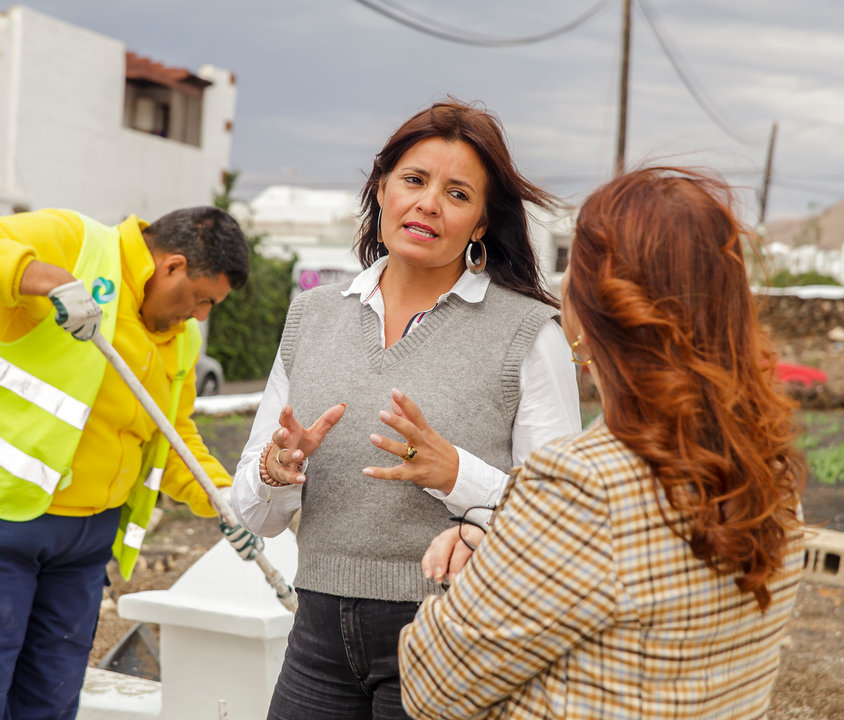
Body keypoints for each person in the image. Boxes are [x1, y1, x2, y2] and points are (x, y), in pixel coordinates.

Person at [398, 166, 807, 719]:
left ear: (589, 313)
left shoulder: (583, 484)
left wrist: (475, 581)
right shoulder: (770, 466)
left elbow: (433, 686)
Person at [230, 100, 582, 719]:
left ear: (479, 223)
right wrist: (274, 473)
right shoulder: (312, 317)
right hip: (314, 636)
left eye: (457, 193)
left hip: (454, 635)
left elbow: (563, 524)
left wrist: (456, 476)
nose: (427, 204)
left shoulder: (529, 333)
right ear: (382, 189)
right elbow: (254, 515)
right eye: (414, 181)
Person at [0, 205, 251, 719]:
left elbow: (171, 436)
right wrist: (41, 278)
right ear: (172, 266)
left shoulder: (182, 341)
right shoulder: (74, 242)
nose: (200, 316)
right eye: (202, 299)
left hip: (82, 543)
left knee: (51, 700)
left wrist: (227, 504)